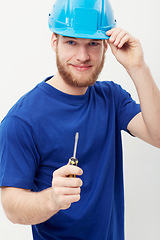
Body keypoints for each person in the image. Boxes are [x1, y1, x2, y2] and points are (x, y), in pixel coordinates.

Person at [0, 0, 160, 239]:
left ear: (106, 46)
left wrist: (138, 66)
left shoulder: (111, 98)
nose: (83, 56)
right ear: (55, 42)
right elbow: (12, 207)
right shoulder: (22, 121)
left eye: (93, 43)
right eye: (71, 42)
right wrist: (52, 198)